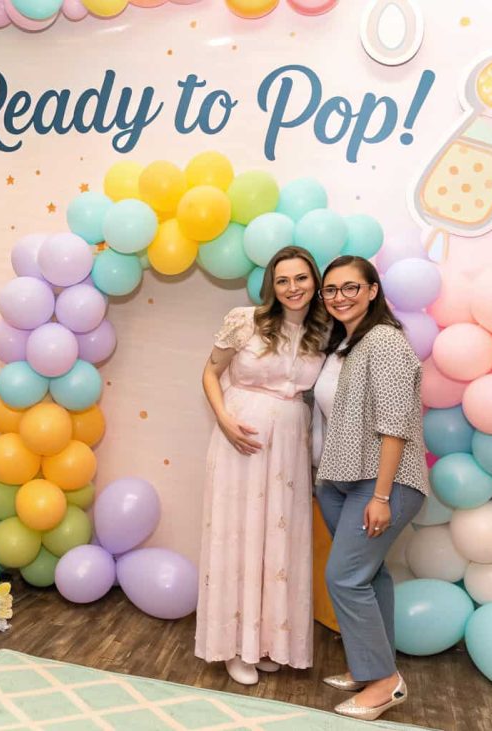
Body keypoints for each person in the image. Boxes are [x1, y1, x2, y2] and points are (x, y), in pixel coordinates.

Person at [195, 246, 329, 685]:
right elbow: (210, 374)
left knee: (279, 539)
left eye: (302, 279)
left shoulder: (323, 331)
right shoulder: (245, 320)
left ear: (314, 282)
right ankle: (235, 646)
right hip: (242, 443)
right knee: (241, 534)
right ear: (272, 283)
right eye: (284, 280)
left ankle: (269, 640)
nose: (293, 288)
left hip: (290, 445)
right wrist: (224, 420)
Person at [314, 255, 428, 721]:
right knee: (370, 575)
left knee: (344, 577)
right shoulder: (346, 344)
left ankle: (384, 683)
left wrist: (381, 496)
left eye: (350, 288)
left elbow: (396, 422)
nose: (340, 297)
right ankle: (371, 667)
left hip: (381, 483)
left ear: (373, 290)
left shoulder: (384, 341)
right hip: (340, 479)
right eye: (331, 290)